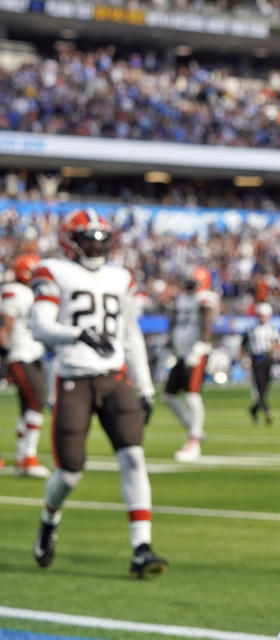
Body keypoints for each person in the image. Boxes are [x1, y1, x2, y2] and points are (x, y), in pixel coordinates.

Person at [29, 208, 166, 578]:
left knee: (134, 457)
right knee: (70, 473)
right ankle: (48, 518)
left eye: (101, 239)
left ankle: (141, 546)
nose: (96, 246)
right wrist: (77, 334)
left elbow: (130, 334)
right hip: (74, 376)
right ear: (70, 242)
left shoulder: (120, 277)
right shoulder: (53, 271)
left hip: (115, 377)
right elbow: (39, 325)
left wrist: (146, 386)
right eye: (89, 238)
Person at [0, 253, 51, 478]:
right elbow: (5, 324)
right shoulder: (15, 292)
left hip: (32, 353)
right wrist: (4, 352)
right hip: (20, 353)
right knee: (36, 402)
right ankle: (28, 458)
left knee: (28, 406)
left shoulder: (32, 293)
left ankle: (23, 458)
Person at [164, 266, 218, 462]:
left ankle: (193, 442)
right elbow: (175, 322)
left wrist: (200, 346)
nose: (189, 283)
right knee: (168, 396)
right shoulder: (182, 298)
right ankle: (196, 431)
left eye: (194, 280)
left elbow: (207, 322)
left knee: (192, 396)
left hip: (196, 352)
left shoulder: (205, 298)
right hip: (180, 352)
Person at [242, 302, 280, 425]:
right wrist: (245, 358)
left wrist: (275, 347)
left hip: (268, 359)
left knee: (265, 388)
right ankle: (267, 412)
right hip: (256, 360)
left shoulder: (273, 330)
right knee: (260, 386)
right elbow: (244, 345)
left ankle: (254, 410)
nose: (262, 318)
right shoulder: (251, 330)